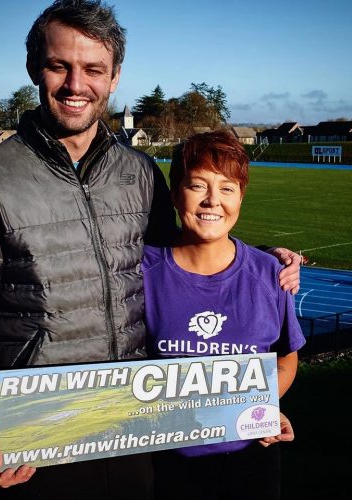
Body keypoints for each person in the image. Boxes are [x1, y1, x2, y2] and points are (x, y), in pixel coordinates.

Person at [0, 1, 301, 498]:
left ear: (115, 77)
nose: (76, 84)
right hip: (45, 427)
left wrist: (258, 259)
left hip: (137, 427)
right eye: (59, 65)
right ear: (34, 67)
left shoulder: (140, 173)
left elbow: (184, 251)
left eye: (93, 69)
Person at [142, 131, 306, 500]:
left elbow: (285, 361)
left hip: (250, 463)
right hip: (162, 463)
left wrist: (262, 406)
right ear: (174, 193)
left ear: (241, 198)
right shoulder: (140, 272)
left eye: (227, 188)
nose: (212, 200)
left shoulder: (270, 274)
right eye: (197, 185)